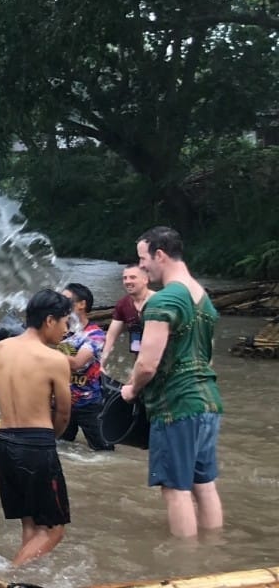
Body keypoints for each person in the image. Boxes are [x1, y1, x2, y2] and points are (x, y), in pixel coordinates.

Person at [121, 226, 224, 538]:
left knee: (174, 489)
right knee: (203, 484)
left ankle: (185, 566)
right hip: (208, 402)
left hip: (175, 406)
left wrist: (131, 388)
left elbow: (147, 364)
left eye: (143, 259)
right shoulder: (202, 297)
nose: (142, 267)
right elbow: (208, 358)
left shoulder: (164, 300)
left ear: (160, 255)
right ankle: (212, 556)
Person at [0, 289, 73, 566]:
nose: (67, 329)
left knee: (31, 525)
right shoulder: (55, 360)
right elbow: (63, 413)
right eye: (65, 322)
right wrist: (50, 440)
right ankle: (11, 577)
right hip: (35, 444)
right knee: (53, 530)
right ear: (50, 320)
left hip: (2, 440)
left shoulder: (2, 347)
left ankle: (26, 579)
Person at [57, 283, 113, 451]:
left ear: (82, 304)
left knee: (104, 452)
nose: (60, 304)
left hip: (88, 403)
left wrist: (43, 352)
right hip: (61, 401)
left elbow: (77, 363)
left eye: (65, 299)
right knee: (61, 447)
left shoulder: (95, 334)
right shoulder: (57, 330)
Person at [100, 264, 154, 374]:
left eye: (133, 277)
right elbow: (111, 335)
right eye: (125, 278)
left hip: (164, 359)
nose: (127, 281)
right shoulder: (123, 304)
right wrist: (101, 363)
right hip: (139, 359)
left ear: (145, 280)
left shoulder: (160, 301)